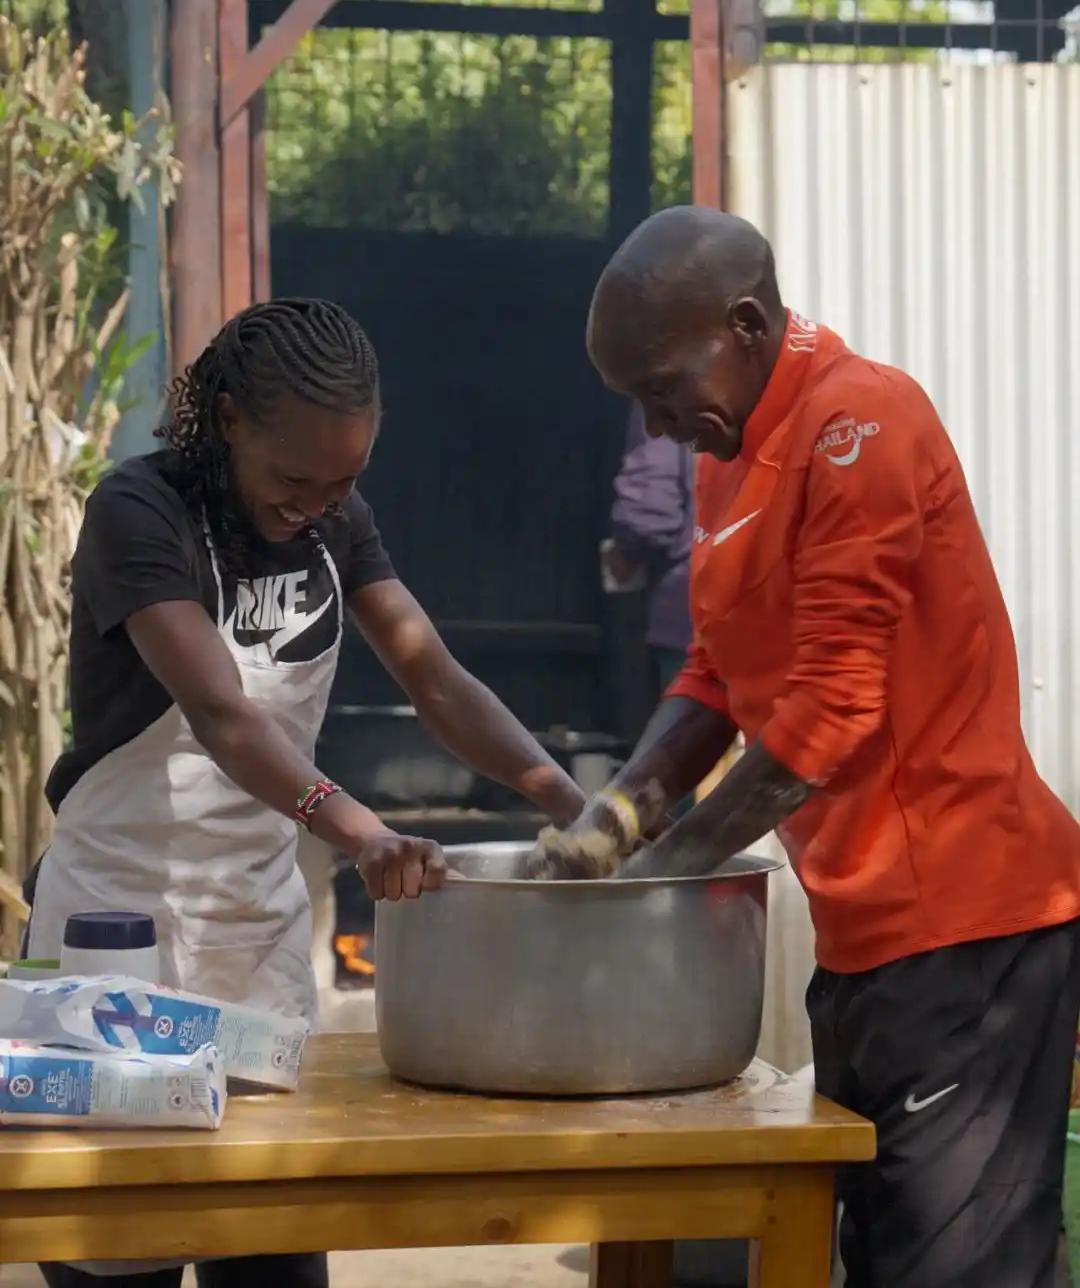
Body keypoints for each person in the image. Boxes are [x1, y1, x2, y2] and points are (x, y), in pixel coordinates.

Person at [535, 206, 1080, 1288]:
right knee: (880, 1261)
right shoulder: (727, 450)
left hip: (966, 938)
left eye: (660, 389)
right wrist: (623, 813)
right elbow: (716, 673)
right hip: (865, 943)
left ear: (744, 326)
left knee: (956, 1272)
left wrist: (662, 880)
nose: (654, 427)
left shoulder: (862, 421)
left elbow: (834, 714)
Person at [26, 297, 586, 1288]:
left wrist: (568, 801)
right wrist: (363, 832)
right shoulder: (140, 513)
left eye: (345, 482)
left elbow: (437, 679)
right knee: (124, 1254)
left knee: (273, 1252)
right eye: (295, 479)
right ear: (231, 418)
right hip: (117, 939)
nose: (318, 503)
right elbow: (222, 714)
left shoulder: (335, 522)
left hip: (257, 944)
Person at [604, 399, 693, 700]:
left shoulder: (663, 391)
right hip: (768, 612)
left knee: (686, 739)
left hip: (689, 607)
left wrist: (624, 554)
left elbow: (651, 509)